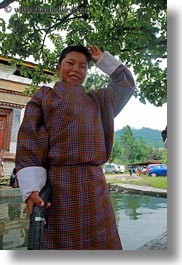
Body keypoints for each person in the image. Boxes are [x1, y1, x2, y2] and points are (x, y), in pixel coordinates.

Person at [15, 45, 135, 250]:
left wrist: (102, 60)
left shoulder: (100, 101)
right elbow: (30, 139)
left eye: (83, 66)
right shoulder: (44, 96)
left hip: (95, 185)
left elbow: (125, 85)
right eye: (70, 63)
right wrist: (32, 189)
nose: (76, 69)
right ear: (57, 68)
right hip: (60, 186)